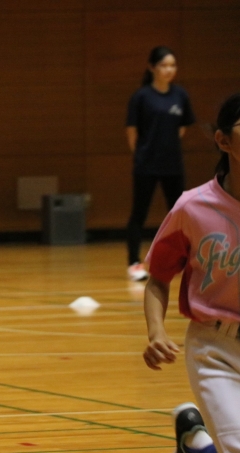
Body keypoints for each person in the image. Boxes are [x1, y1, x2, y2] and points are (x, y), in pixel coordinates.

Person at [142, 92, 240, 452]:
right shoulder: (193, 207)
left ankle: (196, 443)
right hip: (215, 349)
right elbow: (158, 278)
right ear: (223, 140)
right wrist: (156, 331)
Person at [125, 45, 195, 282]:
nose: (169, 70)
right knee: (139, 213)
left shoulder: (180, 95)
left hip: (173, 165)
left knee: (179, 213)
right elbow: (132, 131)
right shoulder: (141, 97)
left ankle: (182, 258)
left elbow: (182, 128)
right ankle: (134, 263)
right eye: (164, 65)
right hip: (146, 165)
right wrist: (142, 154)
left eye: (172, 65)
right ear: (152, 68)